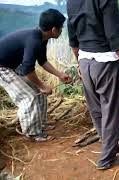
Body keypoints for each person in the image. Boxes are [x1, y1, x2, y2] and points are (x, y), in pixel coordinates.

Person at [67, 0, 119, 170]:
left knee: (97, 109)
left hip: (85, 62)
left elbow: (73, 38)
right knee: (112, 111)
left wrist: (79, 63)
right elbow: (115, 38)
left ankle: (108, 143)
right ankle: (107, 159)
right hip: (105, 63)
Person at [0, 9, 71, 142]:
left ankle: (41, 123)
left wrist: (60, 74)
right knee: (28, 97)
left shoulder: (41, 38)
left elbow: (42, 61)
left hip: (11, 66)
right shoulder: (34, 40)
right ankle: (32, 133)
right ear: (54, 29)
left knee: (39, 91)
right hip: (2, 68)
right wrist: (42, 85)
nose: (62, 31)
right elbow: (27, 70)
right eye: (61, 28)